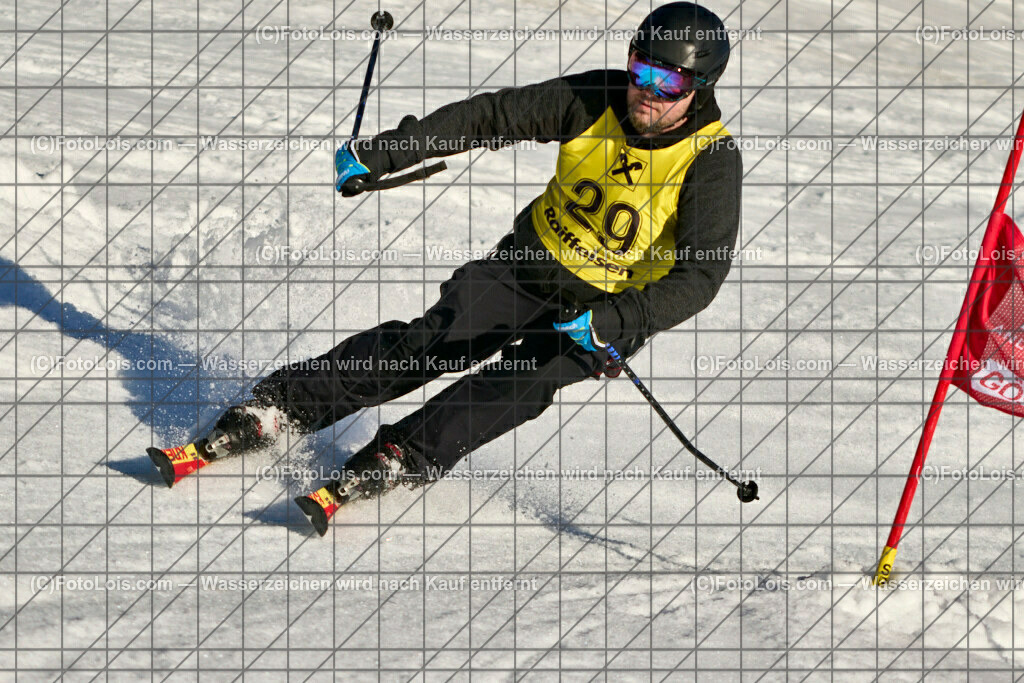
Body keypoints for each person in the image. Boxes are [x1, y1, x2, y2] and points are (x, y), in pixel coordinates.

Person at [152, 2, 743, 536]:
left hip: (604, 310)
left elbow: (700, 278)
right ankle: (284, 406)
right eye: (641, 68)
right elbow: (492, 116)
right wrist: (388, 151)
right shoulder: (594, 97)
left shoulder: (711, 162)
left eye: (669, 82)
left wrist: (619, 321)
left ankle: (404, 455)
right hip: (529, 263)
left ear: (702, 86)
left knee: (516, 388)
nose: (647, 91)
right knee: (436, 340)